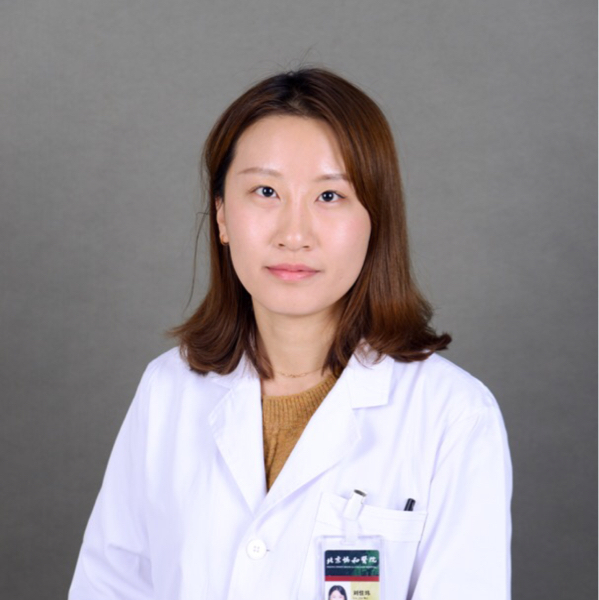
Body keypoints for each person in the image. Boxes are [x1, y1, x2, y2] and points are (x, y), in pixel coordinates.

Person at [69, 68, 512, 599]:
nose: (294, 234)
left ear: (376, 219)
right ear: (221, 216)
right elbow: (109, 586)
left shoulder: (454, 416)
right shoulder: (167, 391)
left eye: (329, 196)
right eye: (265, 191)